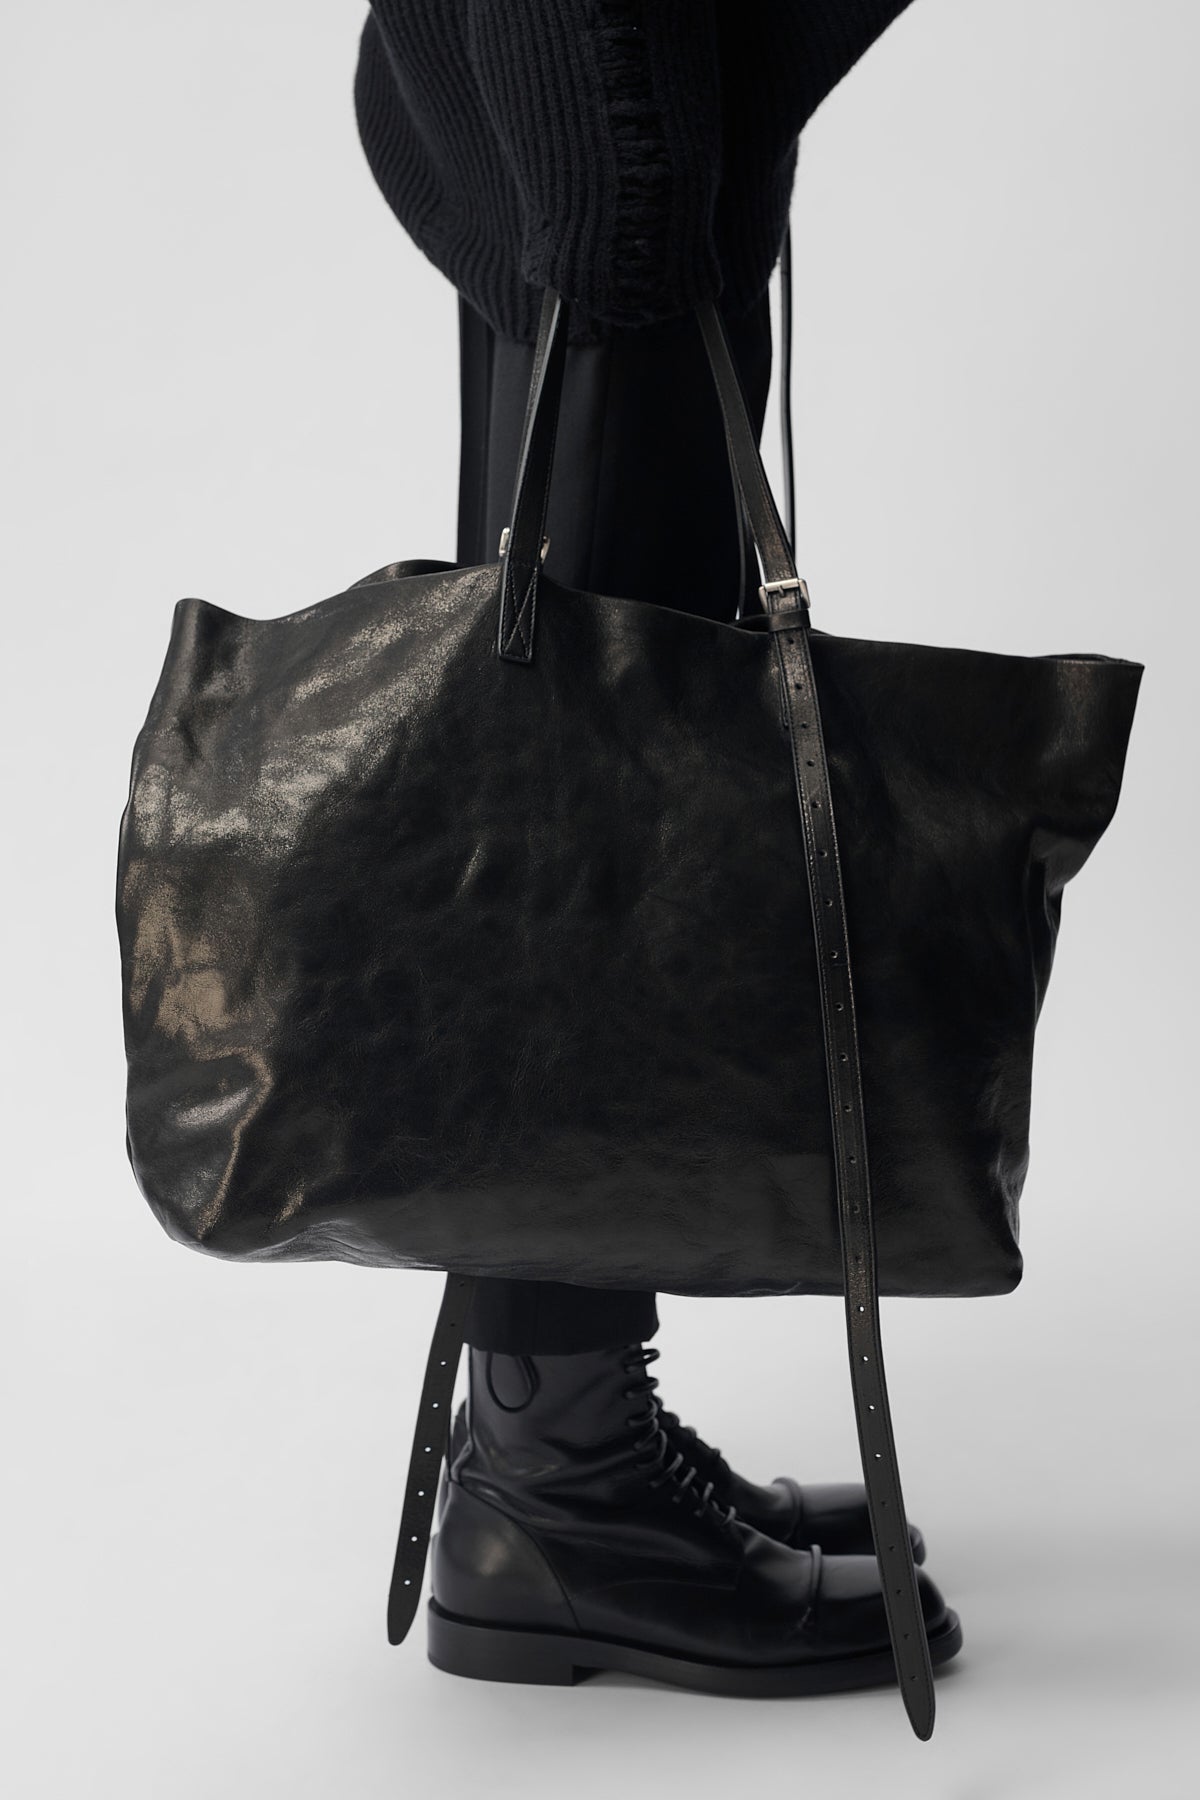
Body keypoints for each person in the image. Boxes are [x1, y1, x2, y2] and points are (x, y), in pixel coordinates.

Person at [353, 0, 960, 1693]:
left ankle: (550, 1437)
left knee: (572, 755)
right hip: (596, 108)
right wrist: (650, 179)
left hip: (579, 98)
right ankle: (559, 1486)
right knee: (584, 814)